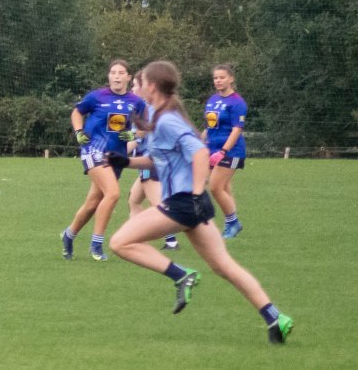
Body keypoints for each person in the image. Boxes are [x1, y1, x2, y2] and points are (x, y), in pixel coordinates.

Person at [106, 60, 293, 344]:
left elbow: (200, 153)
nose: (135, 87)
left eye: (139, 83)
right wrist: (127, 162)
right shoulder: (158, 114)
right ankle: (275, 317)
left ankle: (181, 275)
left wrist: (194, 193)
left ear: (152, 87)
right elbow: (161, 158)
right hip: (192, 204)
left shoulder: (167, 120)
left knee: (120, 242)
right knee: (223, 266)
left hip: (184, 202)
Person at [61, 59, 146, 261]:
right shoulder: (97, 96)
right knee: (113, 193)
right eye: (113, 72)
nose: (116, 76)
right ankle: (96, 245)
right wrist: (78, 131)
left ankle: (69, 235)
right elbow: (77, 112)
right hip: (93, 150)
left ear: (128, 77)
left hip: (116, 156)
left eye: (121, 73)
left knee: (93, 203)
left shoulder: (136, 102)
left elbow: (147, 126)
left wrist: (135, 135)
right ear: (109, 76)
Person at [127, 71, 179, 251]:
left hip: (151, 162)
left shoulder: (148, 109)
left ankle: (172, 240)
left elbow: (141, 135)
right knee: (134, 200)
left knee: (159, 205)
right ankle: (137, 238)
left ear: (144, 87)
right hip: (151, 161)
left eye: (134, 85)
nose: (132, 89)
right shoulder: (146, 107)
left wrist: (118, 154)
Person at [202, 64, 247, 238]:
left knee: (215, 187)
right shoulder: (213, 99)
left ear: (231, 79)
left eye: (222, 77)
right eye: (215, 78)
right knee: (223, 188)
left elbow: (237, 129)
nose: (218, 81)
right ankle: (231, 225)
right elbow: (209, 126)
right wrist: (199, 142)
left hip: (231, 151)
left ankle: (233, 222)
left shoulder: (237, 103)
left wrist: (223, 151)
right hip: (211, 149)